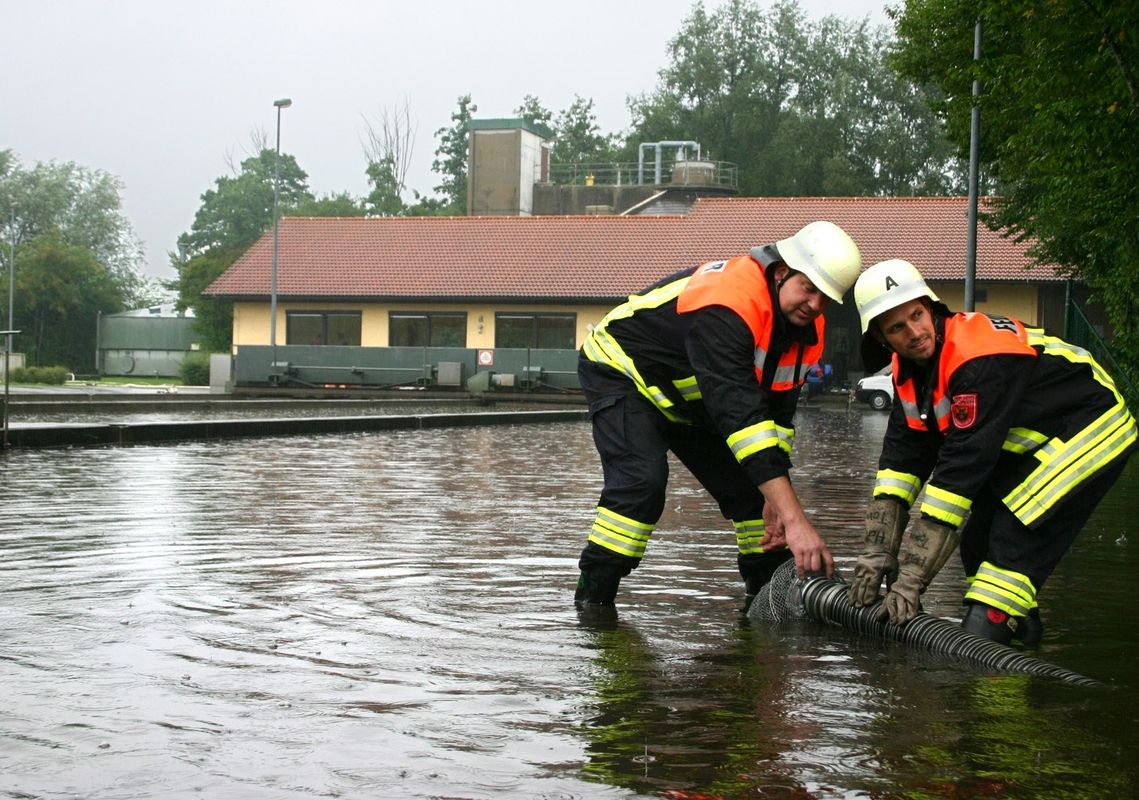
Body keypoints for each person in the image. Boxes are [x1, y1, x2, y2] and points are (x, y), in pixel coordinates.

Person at [573, 221, 863, 612]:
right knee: (640, 486)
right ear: (781, 274)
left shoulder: (806, 330)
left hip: (689, 399)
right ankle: (593, 606)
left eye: (826, 297)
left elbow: (776, 420)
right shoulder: (728, 306)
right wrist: (796, 523)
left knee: (755, 493)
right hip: (624, 372)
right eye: (808, 289)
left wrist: (779, 505)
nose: (814, 305)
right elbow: (740, 417)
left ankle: (763, 599)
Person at [847, 259, 1136, 645]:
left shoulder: (978, 356)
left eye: (918, 315)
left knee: (1010, 540)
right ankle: (1018, 645)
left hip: (1092, 427)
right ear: (882, 339)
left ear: (931, 307)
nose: (915, 332)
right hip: (1036, 443)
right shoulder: (908, 375)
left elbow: (961, 472)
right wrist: (876, 553)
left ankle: (990, 674)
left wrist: (912, 578)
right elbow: (901, 465)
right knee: (978, 542)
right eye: (898, 328)